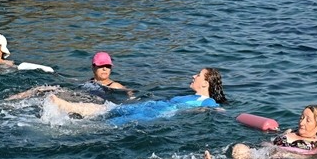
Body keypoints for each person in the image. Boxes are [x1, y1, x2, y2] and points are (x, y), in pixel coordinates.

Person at [46, 67, 226, 124]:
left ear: (205, 83)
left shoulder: (207, 101)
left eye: (198, 75)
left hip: (156, 113)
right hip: (152, 107)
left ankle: (73, 124)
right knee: (108, 109)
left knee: (111, 121)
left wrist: (220, 112)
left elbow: (216, 109)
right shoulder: (190, 97)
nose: (193, 76)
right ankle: (66, 108)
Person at [204, 104, 317, 159]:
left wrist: (289, 155)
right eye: (301, 117)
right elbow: (270, 141)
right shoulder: (289, 131)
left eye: (308, 120)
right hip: (264, 153)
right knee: (239, 148)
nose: (302, 122)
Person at [8, 51, 133, 101]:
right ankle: (12, 100)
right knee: (42, 89)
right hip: (78, 95)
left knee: (54, 98)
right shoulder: (89, 81)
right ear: (93, 67)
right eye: (101, 66)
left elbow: (130, 95)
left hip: (91, 101)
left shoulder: (114, 85)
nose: (105, 69)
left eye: (108, 66)